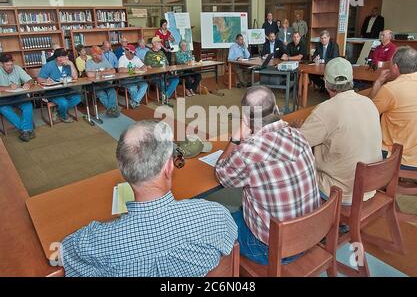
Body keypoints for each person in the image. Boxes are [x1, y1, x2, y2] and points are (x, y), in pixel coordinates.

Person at [60, 120, 237, 277]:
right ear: (169, 167)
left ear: (122, 170)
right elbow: (230, 243)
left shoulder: (97, 243)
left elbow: (63, 254)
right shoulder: (216, 214)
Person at [215, 86, 320, 265]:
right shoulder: (299, 136)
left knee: (217, 220)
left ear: (246, 120)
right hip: (310, 235)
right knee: (243, 209)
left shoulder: (248, 151)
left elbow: (221, 173)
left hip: (270, 250)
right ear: (277, 109)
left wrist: (236, 138)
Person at [294, 58, 382, 205]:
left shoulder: (325, 110)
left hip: (340, 192)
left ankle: (309, 219)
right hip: (370, 186)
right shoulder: (369, 103)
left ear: (326, 83)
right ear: (352, 80)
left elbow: (298, 144)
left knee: (292, 169)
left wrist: (297, 130)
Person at [369, 46, 417, 170]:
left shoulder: (391, 89)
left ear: (395, 67)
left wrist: (378, 83)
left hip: (399, 159)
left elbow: (368, 112)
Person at [38, 48, 81, 123]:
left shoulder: (67, 64)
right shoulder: (48, 66)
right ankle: (63, 116)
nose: (67, 58)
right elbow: (39, 79)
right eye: (65, 56)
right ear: (59, 58)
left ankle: (58, 111)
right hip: (52, 91)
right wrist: (46, 81)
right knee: (63, 103)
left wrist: (71, 64)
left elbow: (75, 77)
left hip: (66, 89)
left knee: (77, 98)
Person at [0, 54, 35, 142]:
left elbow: (31, 80)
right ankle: (27, 128)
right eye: (7, 65)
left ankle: (25, 130)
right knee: (3, 109)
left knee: (28, 105)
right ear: (1, 64)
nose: (10, 67)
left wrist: (28, 83)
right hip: (4, 98)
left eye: (11, 64)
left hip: (19, 95)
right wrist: (7, 87)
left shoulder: (17, 68)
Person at [86, 46, 120, 118]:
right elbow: (89, 75)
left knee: (112, 90)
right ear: (94, 55)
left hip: (104, 82)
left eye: (101, 53)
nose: (102, 55)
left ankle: (111, 109)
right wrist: (106, 71)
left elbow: (113, 71)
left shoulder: (104, 60)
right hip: (93, 84)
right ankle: (111, 109)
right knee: (101, 93)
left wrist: (98, 73)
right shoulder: (89, 62)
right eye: (100, 54)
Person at [144, 37, 179, 101]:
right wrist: (159, 70)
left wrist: (169, 69)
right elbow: (149, 68)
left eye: (160, 42)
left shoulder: (161, 52)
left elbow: (167, 64)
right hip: (155, 75)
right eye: (158, 42)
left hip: (165, 73)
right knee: (163, 82)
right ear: (154, 44)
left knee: (175, 79)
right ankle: (165, 96)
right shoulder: (149, 53)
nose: (160, 44)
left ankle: (165, 96)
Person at [118, 44, 149, 109]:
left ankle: (134, 102)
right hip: (125, 79)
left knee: (145, 85)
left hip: (136, 78)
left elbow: (143, 66)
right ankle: (136, 103)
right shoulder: (122, 58)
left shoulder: (136, 58)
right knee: (133, 87)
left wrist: (144, 67)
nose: (125, 50)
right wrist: (132, 69)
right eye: (125, 49)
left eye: (127, 49)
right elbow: (120, 70)